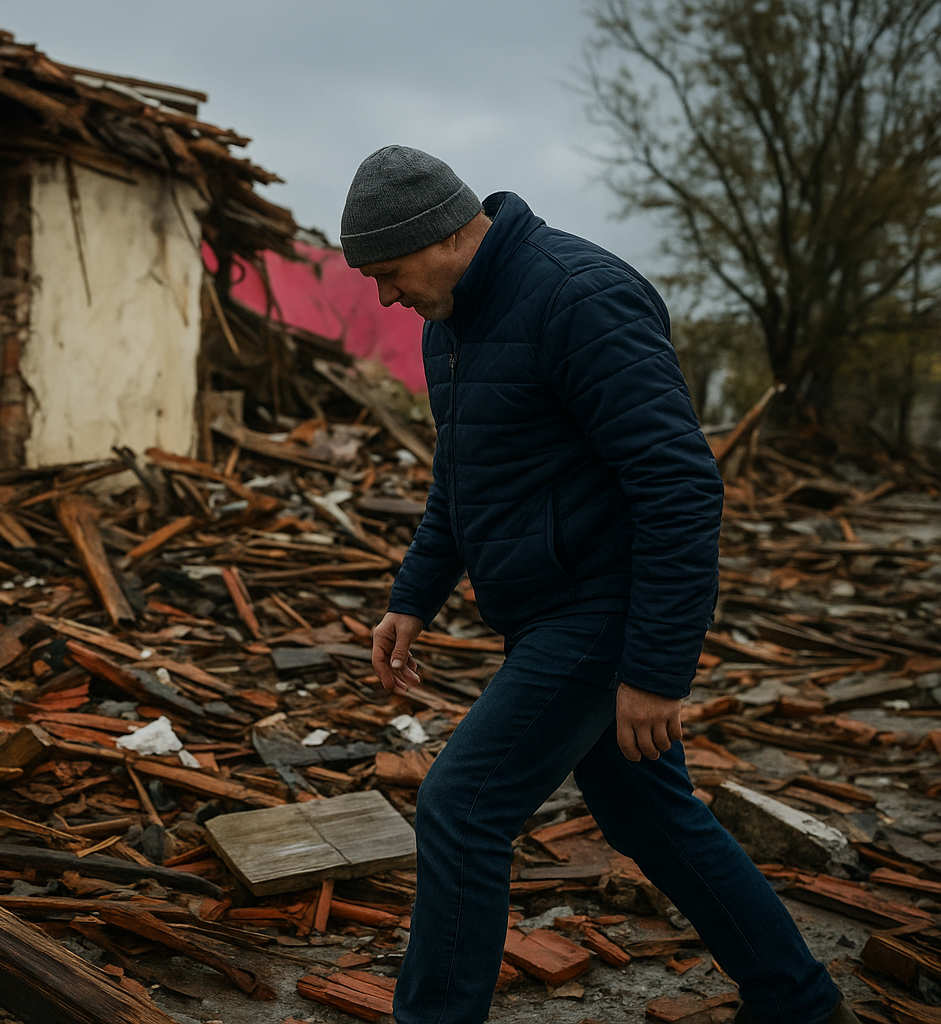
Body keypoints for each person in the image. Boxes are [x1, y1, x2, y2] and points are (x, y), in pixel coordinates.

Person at [342, 146, 851, 1024]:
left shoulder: (579, 296)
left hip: (602, 609)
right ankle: (801, 1004)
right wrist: (412, 597)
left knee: (461, 807)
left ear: (454, 232)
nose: (386, 298)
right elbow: (459, 479)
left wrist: (656, 671)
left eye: (390, 273)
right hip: (546, 611)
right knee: (651, 820)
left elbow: (679, 485)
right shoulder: (450, 321)